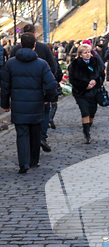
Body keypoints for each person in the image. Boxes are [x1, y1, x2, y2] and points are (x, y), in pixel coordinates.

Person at [1, 32, 57, 173]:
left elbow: (5, 86)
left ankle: (23, 164)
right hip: (37, 103)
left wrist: (5, 104)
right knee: (35, 131)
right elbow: (51, 85)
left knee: (21, 134)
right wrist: (47, 99)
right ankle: (34, 160)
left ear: (20, 44)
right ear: (34, 46)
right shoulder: (42, 64)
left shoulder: (11, 63)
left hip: (18, 104)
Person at [10, 24, 57, 153]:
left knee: (23, 123)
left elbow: (8, 74)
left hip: (19, 92)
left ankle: (26, 151)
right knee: (43, 114)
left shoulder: (15, 51)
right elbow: (53, 68)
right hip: (40, 90)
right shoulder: (44, 49)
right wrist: (49, 88)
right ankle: (41, 137)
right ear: (35, 35)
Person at [68, 43, 105, 144]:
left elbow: (101, 74)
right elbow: (72, 79)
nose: (88, 54)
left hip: (94, 92)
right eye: (85, 53)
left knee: (92, 111)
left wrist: (96, 81)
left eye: (89, 52)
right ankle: (87, 133)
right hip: (81, 93)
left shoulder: (96, 62)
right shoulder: (74, 65)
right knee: (85, 111)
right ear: (80, 54)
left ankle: (88, 125)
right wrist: (85, 85)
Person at [47, 43, 63, 130]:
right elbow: (59, 72)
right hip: (53, 84)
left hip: (43, 85)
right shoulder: (53, 59)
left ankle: (48, 119)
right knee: (54, 104)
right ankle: (50, 118)